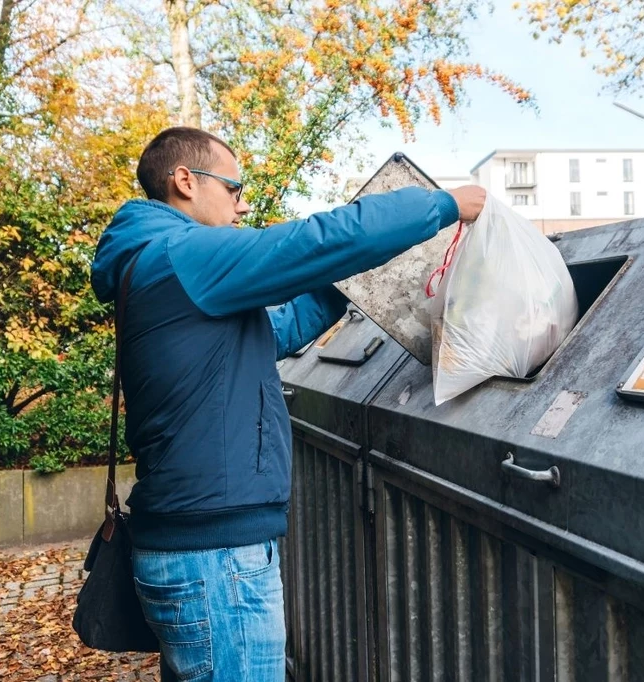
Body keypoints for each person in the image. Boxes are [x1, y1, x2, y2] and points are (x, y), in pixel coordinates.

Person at [90, 126, 485, 681]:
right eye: (233, 188)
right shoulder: (183, 253)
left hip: (196, 545)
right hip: (215, 559)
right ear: (184, 180)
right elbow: (311, 241)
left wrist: (344, 278)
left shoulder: (154, 266)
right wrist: (442, 205)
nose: (241, 203)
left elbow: (278, 328)